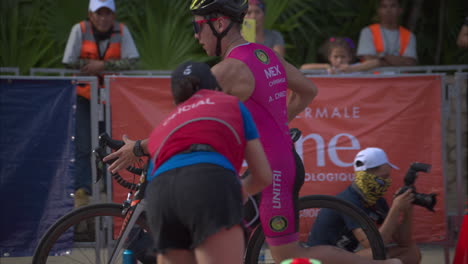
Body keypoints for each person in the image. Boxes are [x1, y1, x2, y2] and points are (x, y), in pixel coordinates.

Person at [105, 1, 400, 263]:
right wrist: (277, 125)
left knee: (290, 255)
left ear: (219, 24)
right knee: (224, 235)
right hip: (279, 162)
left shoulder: (228, 70)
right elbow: (308, 90)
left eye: (198, 26)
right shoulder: (263, 54)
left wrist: (139, 148)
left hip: (271, 171)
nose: (196, 36)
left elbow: (185, 123)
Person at [129, 61, 273, 263]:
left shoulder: (165, 123)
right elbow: (263, 175)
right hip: (209, 182)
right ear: (215, 87)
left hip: (161, 193)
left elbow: (155, 177)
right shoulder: (229, 103)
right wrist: (240, 190)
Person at [62, 0, 139, 207]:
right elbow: (68, 61)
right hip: (84, 97)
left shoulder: (122, 31)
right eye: (99, 13)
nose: (103, 18)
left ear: (113, 16)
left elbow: (132, 61)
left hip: (113, 98)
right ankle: (82, 194)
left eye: (107, 13)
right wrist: (96, 67)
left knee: (113, 144)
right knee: (83, 145)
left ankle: (111, 192)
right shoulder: (79, 30)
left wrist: (101, 66)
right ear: (90, 14)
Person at [308, 147, 421, 264]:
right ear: (366, 176)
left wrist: (407, 210)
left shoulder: (377, 200)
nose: (388, 181)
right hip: (322, 260)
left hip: (342, 256)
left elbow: (404, 242)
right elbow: (373, 244)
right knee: (383, 257)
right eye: (384, 177)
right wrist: (395, 209)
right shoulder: (349, 200)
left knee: (411, 252)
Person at [356, 0, 417, 67]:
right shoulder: (368, 32)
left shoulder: (409, 36)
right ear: (379, 11)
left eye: (393, 6)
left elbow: (410, 63)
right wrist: (399, 62)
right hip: (374, 77)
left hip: (400, 77)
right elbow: (369, 60)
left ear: (400, 10)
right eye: (384, 6)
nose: (388, 10)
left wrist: (382, 55)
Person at [300, 37, 380, 74]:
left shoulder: (355, 68)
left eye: (343, 56)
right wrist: (326, 66)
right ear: (329, 57)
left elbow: (376, 62)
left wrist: (352, 69)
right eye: (336, 57)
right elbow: (303, 68)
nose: (339, 60)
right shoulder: (327, 70)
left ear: (350, 57)